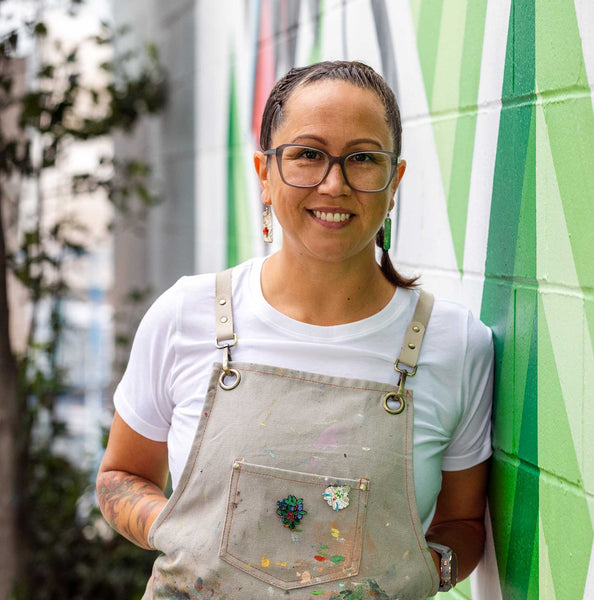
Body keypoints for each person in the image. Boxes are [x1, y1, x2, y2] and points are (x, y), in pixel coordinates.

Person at [96, 60, 493, 599]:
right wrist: (184, 532)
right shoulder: (185, 313)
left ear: (394, 180)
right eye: (308, 155)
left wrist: (428, 570)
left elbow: (464, 523)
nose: (334, 183)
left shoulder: (454, 344)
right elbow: (119, 476)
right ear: (264, 172)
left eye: (362, 159)